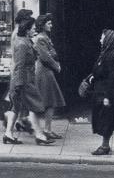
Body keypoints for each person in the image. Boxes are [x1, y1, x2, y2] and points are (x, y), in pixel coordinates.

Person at [5, 11, 51, 146]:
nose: (34, 30)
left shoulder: (26, 41)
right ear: (27, 29)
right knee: (35, 106)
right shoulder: (22, 44)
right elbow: (19, 65)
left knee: (16, 107)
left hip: (24, 79)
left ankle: (8, 133)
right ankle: (39, 135)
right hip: (23, 80)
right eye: (33, 28)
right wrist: (18, 84)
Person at [91, 28, 114, 155]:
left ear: (108, 39)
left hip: (107, 93)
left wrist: (109, 96)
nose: (100, 40)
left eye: (102, 37)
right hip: (101, 92)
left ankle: (105, 146)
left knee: (107, 120)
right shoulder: (105, 54)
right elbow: (99, 70)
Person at [34, 13, 66, 141]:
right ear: (42, 25)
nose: (51, 25)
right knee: (48, 101)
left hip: (46, 71)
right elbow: (45, 56)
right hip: (44, 72)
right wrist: (57, 66)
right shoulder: (41, 38)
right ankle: (43, 130)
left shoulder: (44, 37)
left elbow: (51, 53)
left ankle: (47, 129)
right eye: (49, 23)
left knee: (50, 101)